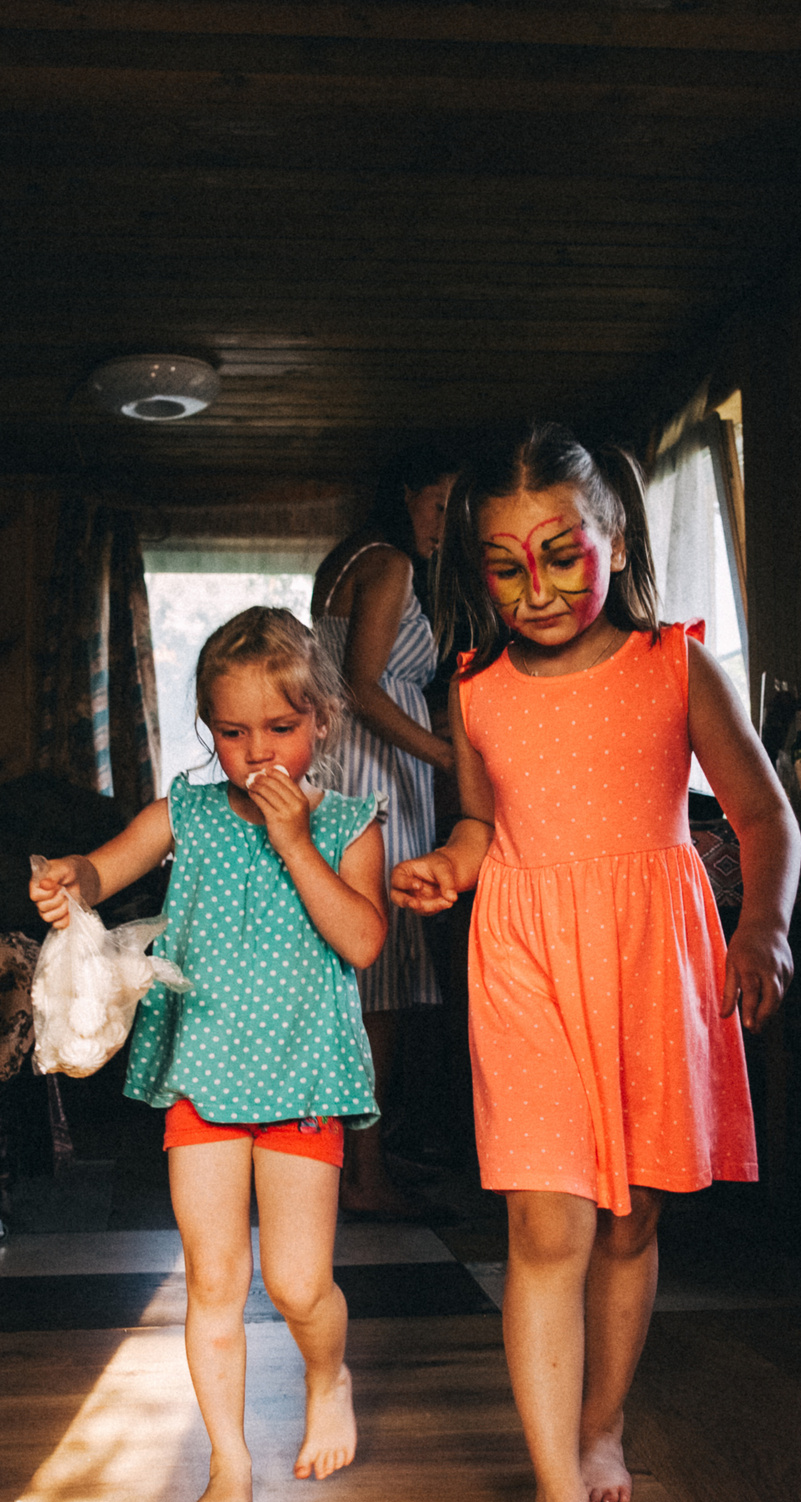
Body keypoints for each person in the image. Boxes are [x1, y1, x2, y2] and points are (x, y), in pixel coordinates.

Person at [392, 423, 799, 1502]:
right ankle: (556, 1493)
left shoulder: (676, 666)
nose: (536, 588)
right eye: (504, 564)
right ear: (476, 569)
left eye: (562, 555)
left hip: (650, 963)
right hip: (522, 957)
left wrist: (762, 926)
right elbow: (480, 825)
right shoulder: (472, 691)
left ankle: (602, 1420)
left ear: (613, 540)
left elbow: (765, 819)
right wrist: (450, 870)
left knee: (630, 1222)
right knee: (543, 1222)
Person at [30, 607, 389, 1502]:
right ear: (207, 729)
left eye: (281, 727)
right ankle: (229, 1459)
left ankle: (327, 1375)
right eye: (232, 732)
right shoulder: (184, 813)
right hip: (206, 1078)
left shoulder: (349, 822)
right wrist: (69, 875)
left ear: (322, 724)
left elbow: (362, 937)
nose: (255, 750)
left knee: (302, 1284)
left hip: (305, 1077)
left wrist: (297, 842)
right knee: (213, 1278)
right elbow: (104, 873)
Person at [309, 445, 461, 1220]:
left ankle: (353, 1158)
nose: (447, 522)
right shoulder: (391, 562)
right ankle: (366, 1174)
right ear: (405, 492)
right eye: (439, 504)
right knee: (385, 982)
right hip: (378, 777)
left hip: (343, 771)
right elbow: (367, 688)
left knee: (356, 979)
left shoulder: (342, 559)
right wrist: (445, 753)